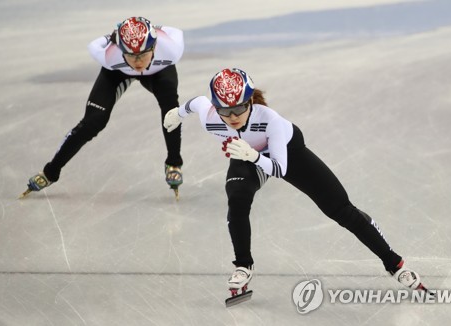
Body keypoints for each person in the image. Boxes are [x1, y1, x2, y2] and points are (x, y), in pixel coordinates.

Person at [164, 68, 429, 294]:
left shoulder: (270, 120)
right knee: (237, 197)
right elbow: (196, 102)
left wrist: (254, 155)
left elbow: (279, 168)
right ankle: (243, 264)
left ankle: (394, 264)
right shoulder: (209, 115)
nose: (233, 116)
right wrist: (178, 113)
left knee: (341, 210)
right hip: (246, 156)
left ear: (250, 103)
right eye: (225, 109)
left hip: (288, 154)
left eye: (239, 108)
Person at [22, 16, 184, 198]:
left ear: (154, 46)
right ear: (121, 50)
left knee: (171, 110)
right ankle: (51, 171)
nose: (137, 62)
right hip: (116, 73)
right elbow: (93, 44)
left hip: (158, 72)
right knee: (93, 122)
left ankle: (173, 163)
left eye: (142, 55)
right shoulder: (108, 55)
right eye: (131, 55)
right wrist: (110, 37)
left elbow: (176, 31)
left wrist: (154, 27)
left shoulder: (171, 49)